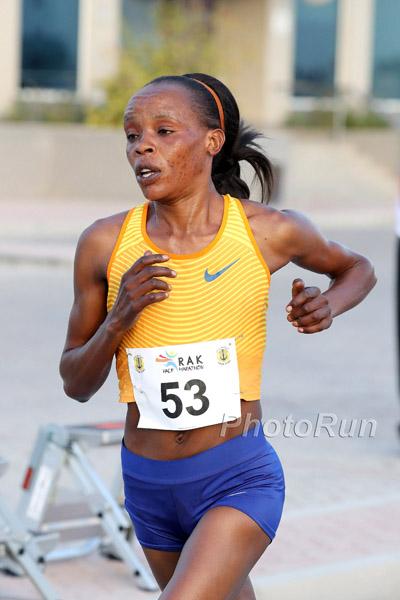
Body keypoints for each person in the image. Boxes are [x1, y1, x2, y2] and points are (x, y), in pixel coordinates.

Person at [59, 73, 377, 599]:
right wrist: (119, 318)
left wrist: (328, 305)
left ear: (212, 141)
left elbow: (357, 268)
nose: (142, 146)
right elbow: (75, 382)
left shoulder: (267, 230)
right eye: (133, 135)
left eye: (164, 131)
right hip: (148, 483)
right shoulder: (104, 243)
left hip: (237, 476)